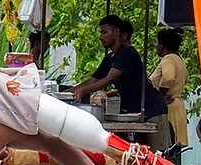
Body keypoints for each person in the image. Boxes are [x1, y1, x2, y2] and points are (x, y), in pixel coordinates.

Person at [68, 15, 170, 151]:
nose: (101, 36)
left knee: (158, 154)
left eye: (104, 32)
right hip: (136, 112)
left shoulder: (128, 52)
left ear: (117, 32)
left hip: (153, 109)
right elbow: (92, 80)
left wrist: (82, 91)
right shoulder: (110, 58)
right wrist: (68, 93)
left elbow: (109, 79)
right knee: (140, 154)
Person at [149, 28, 188, 149]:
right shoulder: (179, 60)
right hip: (177, 106)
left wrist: (160, 97)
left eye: (157, 44)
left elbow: (168, 78)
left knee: (167, 148)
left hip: (168, 108)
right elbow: (185, 78)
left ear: (162, 45)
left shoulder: (169, 59)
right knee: (174, 149)